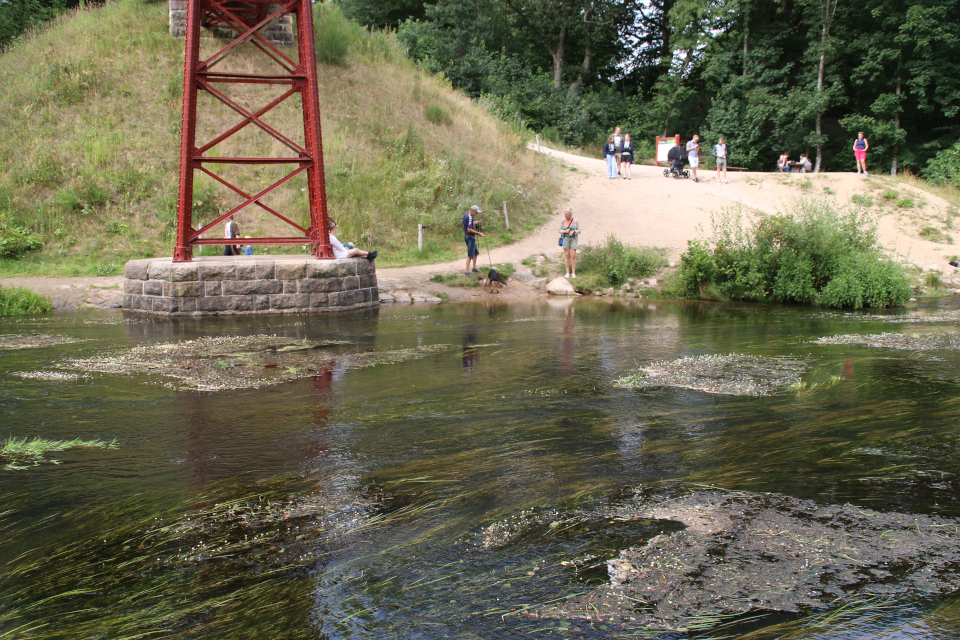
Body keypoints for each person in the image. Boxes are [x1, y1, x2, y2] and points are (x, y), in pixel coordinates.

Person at [463, 204, 484, 275]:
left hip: (469, 237)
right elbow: (469, 229)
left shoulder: (466, 215)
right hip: (470, 237)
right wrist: (479, 233)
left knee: (475, 253)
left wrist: (473, 223)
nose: (476, 213)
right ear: (472, 210)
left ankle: (474, 268)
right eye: (476, 212)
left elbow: (464, 225)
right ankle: (467, 272)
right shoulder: (469, 217)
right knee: (470, 255)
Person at [559, 208, 580, 278]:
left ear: (570, 214)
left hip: (573, 239)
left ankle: (573, 272)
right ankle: (567, 272)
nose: (565, 215)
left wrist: (574, 231)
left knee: (573, 255)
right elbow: (559, 230)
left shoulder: (575, 221)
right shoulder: (563, 221)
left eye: (566, 214)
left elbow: (579, 230)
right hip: (566, 239)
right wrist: (565, 231)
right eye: (565, 214)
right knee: (567, 255)